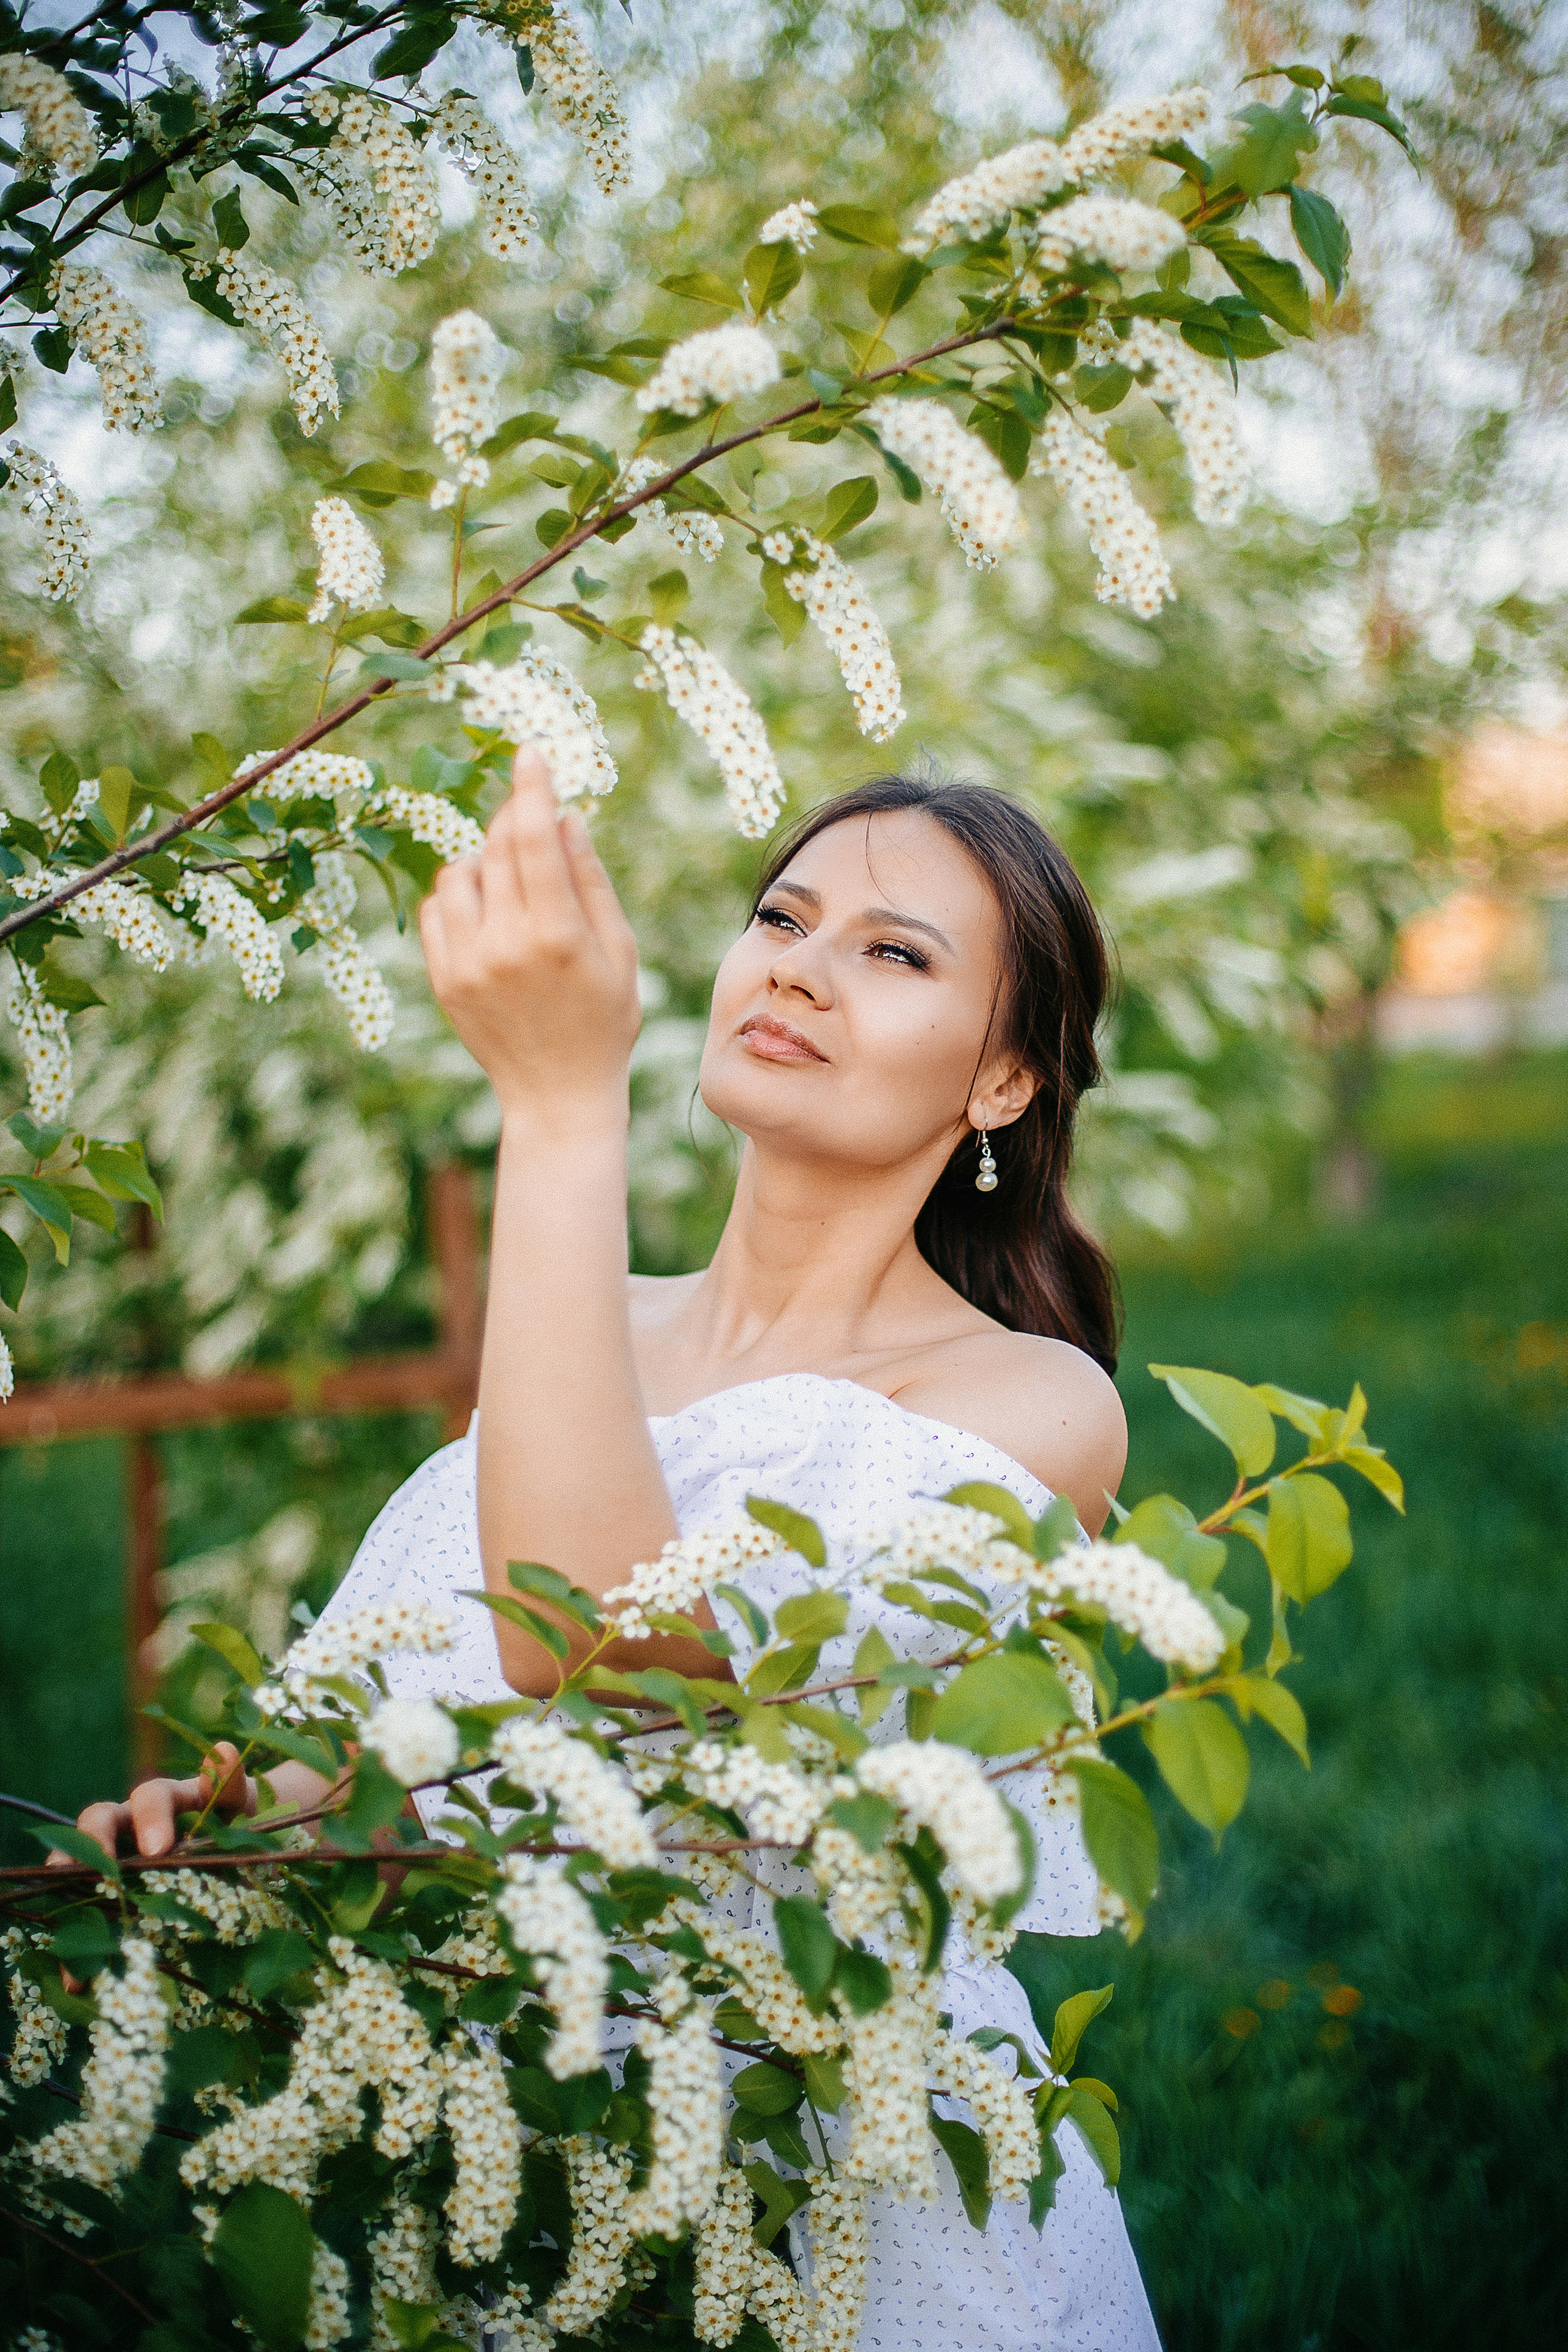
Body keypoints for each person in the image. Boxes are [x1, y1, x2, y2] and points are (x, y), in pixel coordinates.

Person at [74, 756, 1161, 2351]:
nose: (796, 961)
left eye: (895, 951)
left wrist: (559, 1102)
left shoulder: (1032, 1407)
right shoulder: (593, 1333)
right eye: (782, 915)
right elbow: (468, 1728)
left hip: (843, 2195)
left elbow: (596, 1637)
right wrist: (253, 1827)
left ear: (1003, 1081)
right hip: (535, 2160)